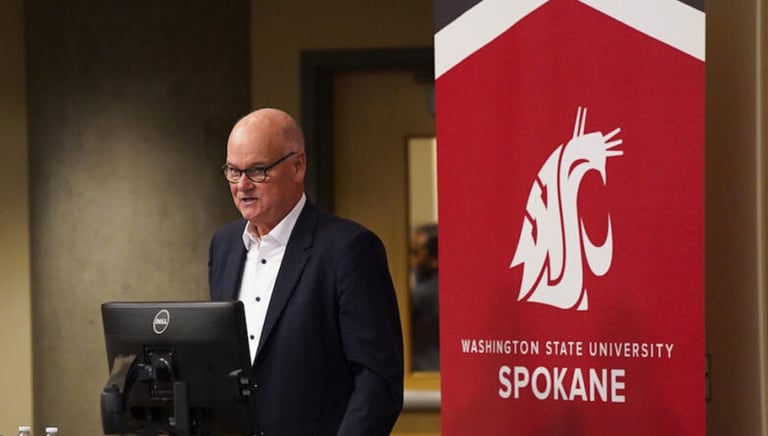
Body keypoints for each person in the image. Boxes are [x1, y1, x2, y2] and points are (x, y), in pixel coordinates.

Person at [208, 108, 404, 435]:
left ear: (298, 165)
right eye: (233, 170)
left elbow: (378, 381)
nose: (242, 185)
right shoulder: (224, 245)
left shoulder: (349, 249)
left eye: (257, 171)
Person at [409, 223, 439, 371]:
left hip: (428, 370)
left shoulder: (427, 293)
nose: (411, 261)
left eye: (416, 253)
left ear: (435, 258)